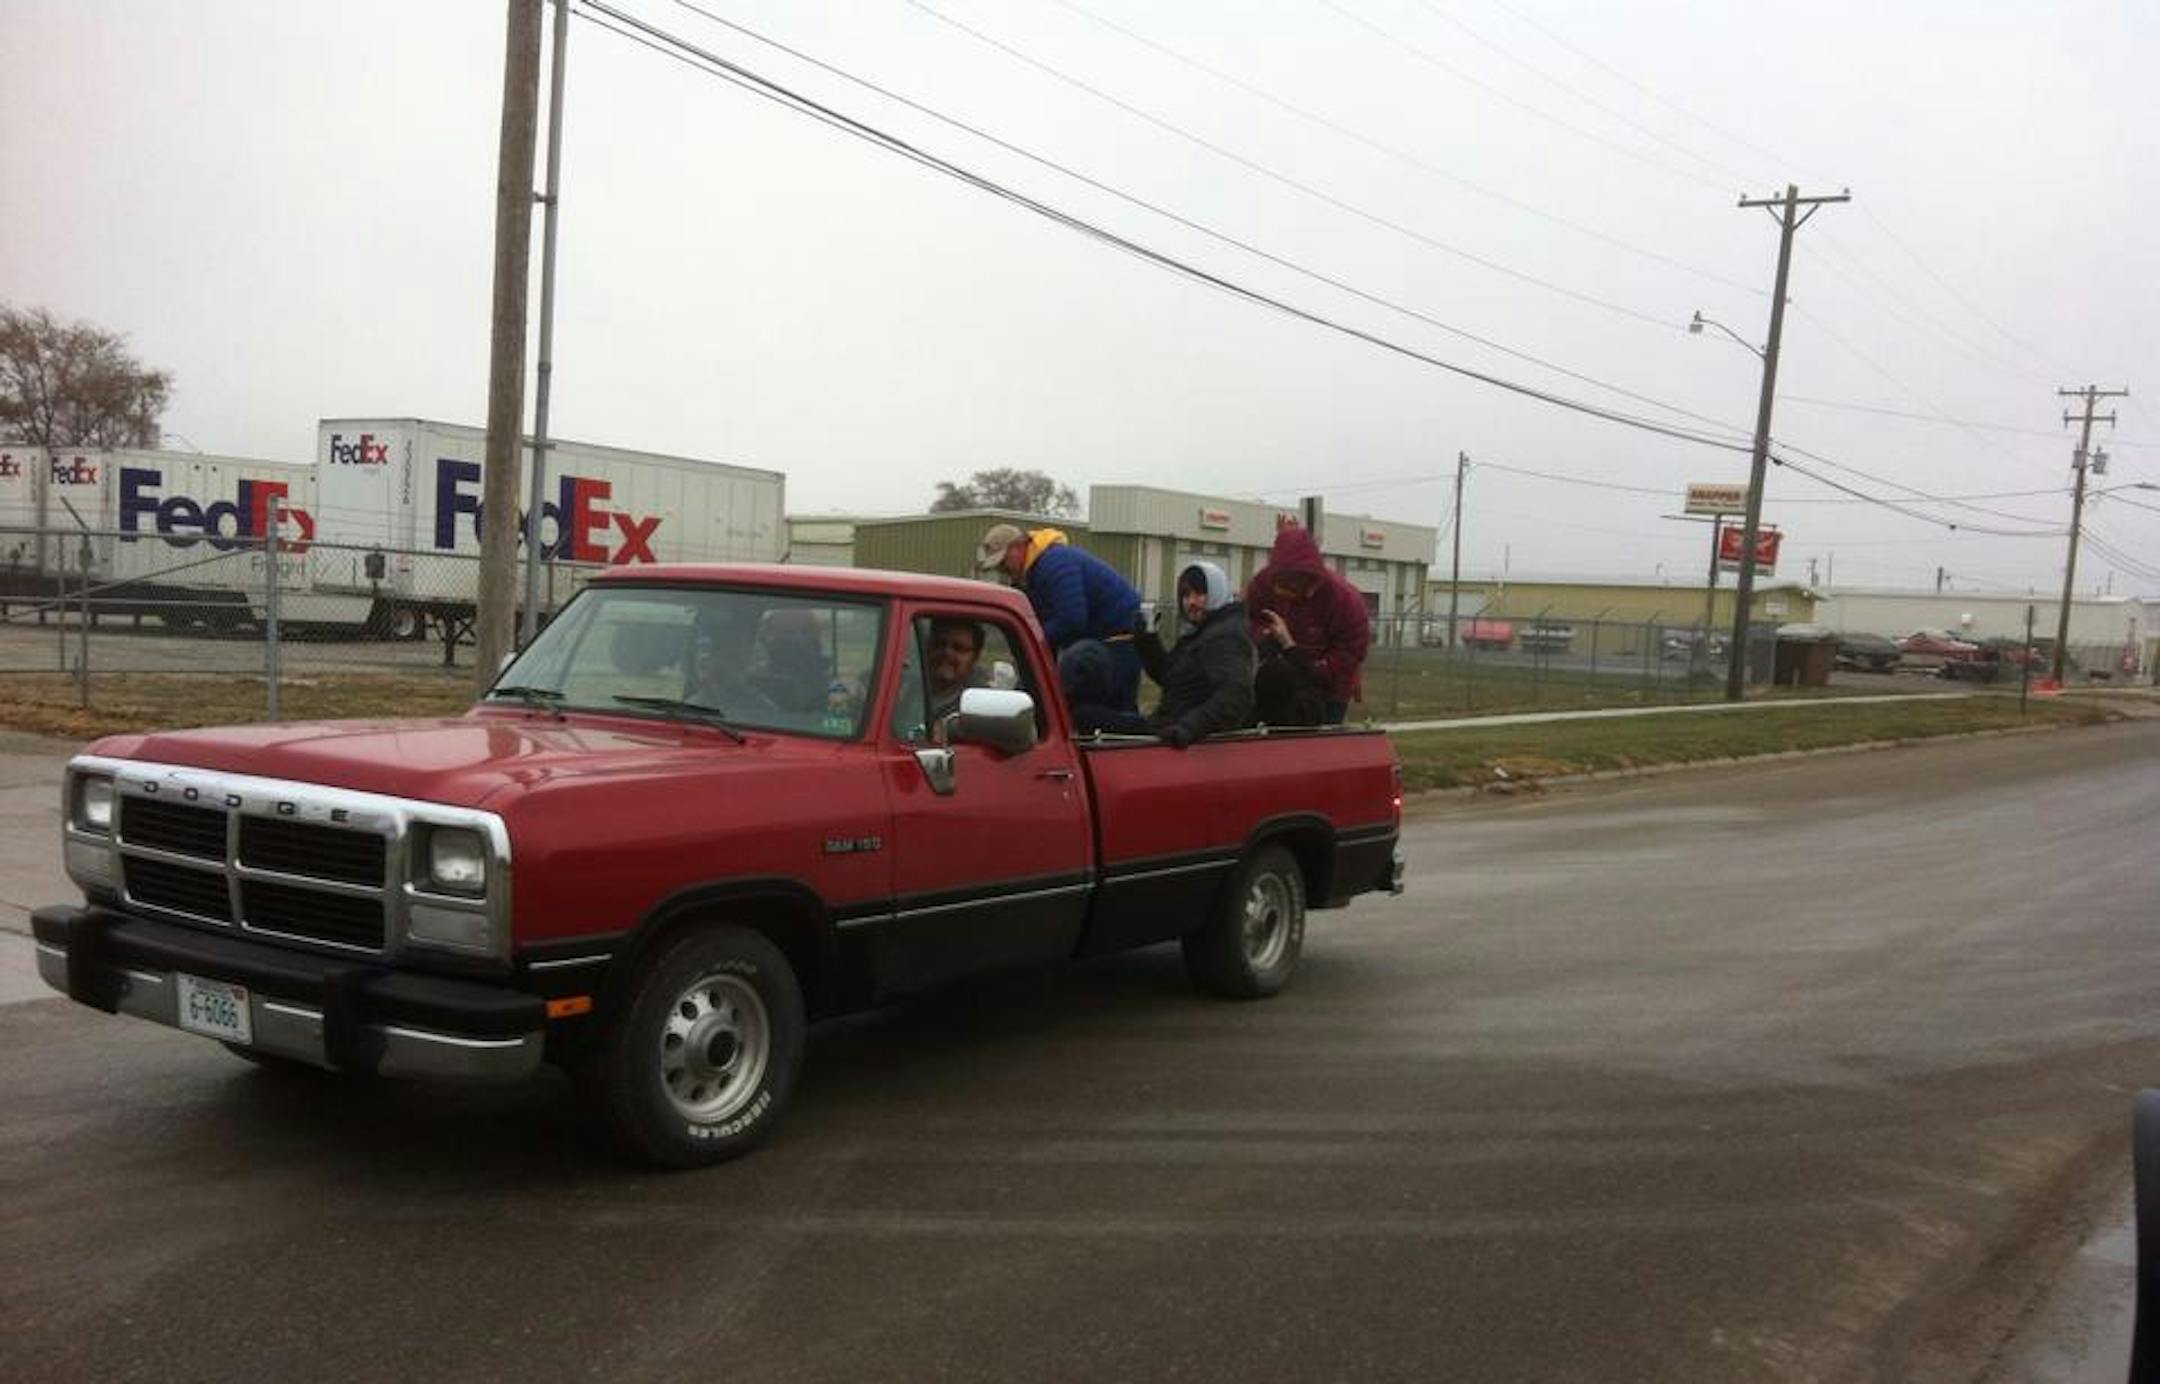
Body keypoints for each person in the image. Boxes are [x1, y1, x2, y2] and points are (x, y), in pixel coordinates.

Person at [1075, 562, 1254, 748]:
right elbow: (1171, 678)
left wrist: (1188, 728)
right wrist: (1146, 639)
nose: (1191, 602)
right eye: (1186, 595)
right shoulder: (1202, 633)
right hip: (1167, 724)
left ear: (1217, 593)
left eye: (1200, 594)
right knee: (1085, 715)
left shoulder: (1226, 638)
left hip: (1174, 734)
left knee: (1085, 719)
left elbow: (1235, 697)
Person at [975, 523, 1143, 714]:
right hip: (1096, 644)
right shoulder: (1032, 576)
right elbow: (1048, 629)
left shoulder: (1055, 563)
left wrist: (1033, 641)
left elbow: (1071, 619)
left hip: (1118, 641)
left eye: (1003, 561)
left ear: (1019, 546)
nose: (1002, 570)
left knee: (1101, 716)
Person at [1245, 516, 1371, 723]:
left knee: (1320, 747)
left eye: (1289, 585)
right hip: (1281, 686)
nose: (1282, 592)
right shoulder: (1264, 583)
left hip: (1329, 691)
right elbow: (1250, 618)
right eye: (1279, 585)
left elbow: (1349, 654)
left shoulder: (1345, 600)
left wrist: (1301, 659)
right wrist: (1264, 637)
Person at [924, 617, 985, 723]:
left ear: (975, 657)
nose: (947, 653)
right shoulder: (902, 686)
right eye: (940, 644)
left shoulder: (980, 705)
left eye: (958, 648)